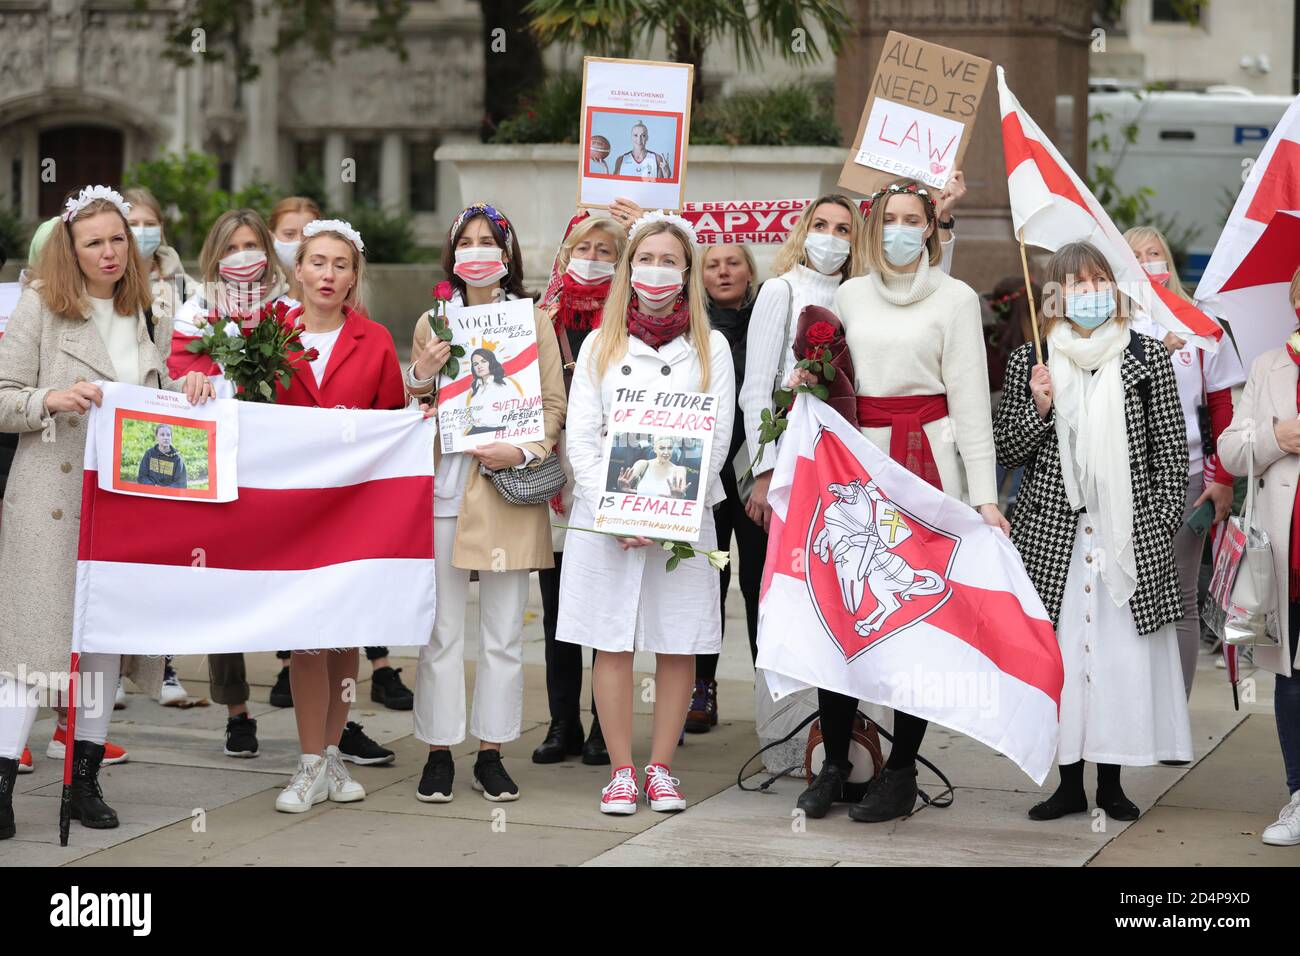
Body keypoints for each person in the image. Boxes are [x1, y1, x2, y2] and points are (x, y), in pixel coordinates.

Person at [0, 186, 214, 840]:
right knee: (29, 650)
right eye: (94, 241)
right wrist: (54, 399)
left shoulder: (146, 309)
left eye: (118, 238)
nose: (111, 251)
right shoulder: (39, 304)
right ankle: (2, 782)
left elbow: (149, 399)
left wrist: (189, 388)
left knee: (101, 645)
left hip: (122, 501)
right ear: (72, 246)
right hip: (49, 497)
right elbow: (3, 396)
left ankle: (85, 781)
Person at [792, 178, 1007, 824]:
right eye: (890, 218)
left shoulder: (957, 298)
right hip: (857, 470)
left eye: (914, 219)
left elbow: (970, 403)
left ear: (932, 228)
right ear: (873, 226)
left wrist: (986, 497)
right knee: (846, 615)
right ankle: (835, 761)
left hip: (928, 470)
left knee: (914, 623)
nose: (901, 230)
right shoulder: (850, 294)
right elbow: (830, 382)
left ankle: (904, 769)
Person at [994, 240, 1192, 822]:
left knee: (1116, 655)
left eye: (1098, 281)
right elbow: (1009, 449)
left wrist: (1155, 522)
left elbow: (1170, 452)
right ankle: (1067, 782)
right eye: (1075, 284)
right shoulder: (1032, 356)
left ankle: (1111, 780)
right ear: (1054, 294)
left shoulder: (1146, 356)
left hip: (1127, 533)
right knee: (1062, 656)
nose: (1088, 293)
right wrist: (1037, 405)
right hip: (1054, 531)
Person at [558, 211, 735, 815]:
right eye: (646, 259)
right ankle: (621, 771)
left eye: (668, 261)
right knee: (610, 639)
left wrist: (664, 513)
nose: (656, 271)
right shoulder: (598, 346)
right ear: (629, 269)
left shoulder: (712, 347)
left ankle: (661, 768)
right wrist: (618, 508)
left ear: (686, 272)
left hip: (681, 519)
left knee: (676, 639)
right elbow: (581, 437)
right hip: (608, 517)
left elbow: (718, 438)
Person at [406, 202, 566, 803]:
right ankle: (439, 749)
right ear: (453, 256)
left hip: (506, 492)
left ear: (507, 254)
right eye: (466, 241)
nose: (477, 250)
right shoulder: (432, 320)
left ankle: (493, 751)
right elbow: (416, 407)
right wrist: (421, 375)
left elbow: (552, 405)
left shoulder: (536, 322)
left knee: (502, 632)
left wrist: (524, 452)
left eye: (487, 241)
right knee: (441, 631)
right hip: (447, 489)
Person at [271, 218, 407, 812]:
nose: (329, 275)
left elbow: (392, 419)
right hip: (292, 509)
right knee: (306, 639)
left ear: (355, 276)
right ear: (298, 269)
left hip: (353, 509)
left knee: (345, 632)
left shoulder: (374, 339)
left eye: (341, 265)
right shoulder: (266, 332)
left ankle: (331, 754)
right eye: (318, 263)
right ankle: (306, 761)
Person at [531, 208, 633, 765]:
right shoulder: (538, 318)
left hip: (613, 473)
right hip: (555, 474)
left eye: (604, 252)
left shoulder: (628, 323)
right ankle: (561, 722)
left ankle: (604, 725)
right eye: (582, 249)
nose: (591, 261)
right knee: (556, 606)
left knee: (608, 602)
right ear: (565, 255)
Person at [1125, 225, 1244, 699]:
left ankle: (1174, 715)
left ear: (1169, 263)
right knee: (1130, 594)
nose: (1149, 261)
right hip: (1128, 474)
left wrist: (1223, 476)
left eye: (1155, 253)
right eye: (1136, 255)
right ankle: (1135, 712)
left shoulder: (1197, 320)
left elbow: (1221, 406)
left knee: (1179, 599)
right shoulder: (1110, 322)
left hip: (1190, 476)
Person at [1215, 264, 1300, 847]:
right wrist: (1277, 436)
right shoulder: (1270, 365)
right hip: (1286, 556)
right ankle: (1299, 795)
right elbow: (1228, 447)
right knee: (1291, 676)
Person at [691, 242, 762, 733]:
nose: (723, 271)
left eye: (732, 262)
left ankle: (769, 694)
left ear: (749, 271)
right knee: (705, 583)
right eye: (712, 264)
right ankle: (701, 688)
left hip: (756, 476)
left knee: (760, 586)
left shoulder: (769, 319)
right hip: (707, 479)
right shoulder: (691, 326)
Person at [268, 196, 322, 302]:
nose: (299, 242)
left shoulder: (337, 294)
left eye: (307, 235)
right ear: (271, 237)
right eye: (289, 234)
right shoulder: (256, 292)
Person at [617, 435, 688, 496]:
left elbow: (680, 493)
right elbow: (626, 484)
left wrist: (677, 498)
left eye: (669, 448)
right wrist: (622, 487)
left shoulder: (679, 470)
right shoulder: (642, 464)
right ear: (654, 449)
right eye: (662, 448)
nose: (666, 452)